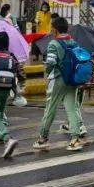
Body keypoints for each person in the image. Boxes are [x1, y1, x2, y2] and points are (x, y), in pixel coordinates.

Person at [32, 17, 87, 152]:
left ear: (54, 29)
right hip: (73, 80)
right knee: (72, 108)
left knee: (50, 109)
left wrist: (48, 73)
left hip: (58, 79)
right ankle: (74, 139)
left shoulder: (53, 44)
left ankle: (42, 138)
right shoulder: (73, 42)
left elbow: (50, 62)